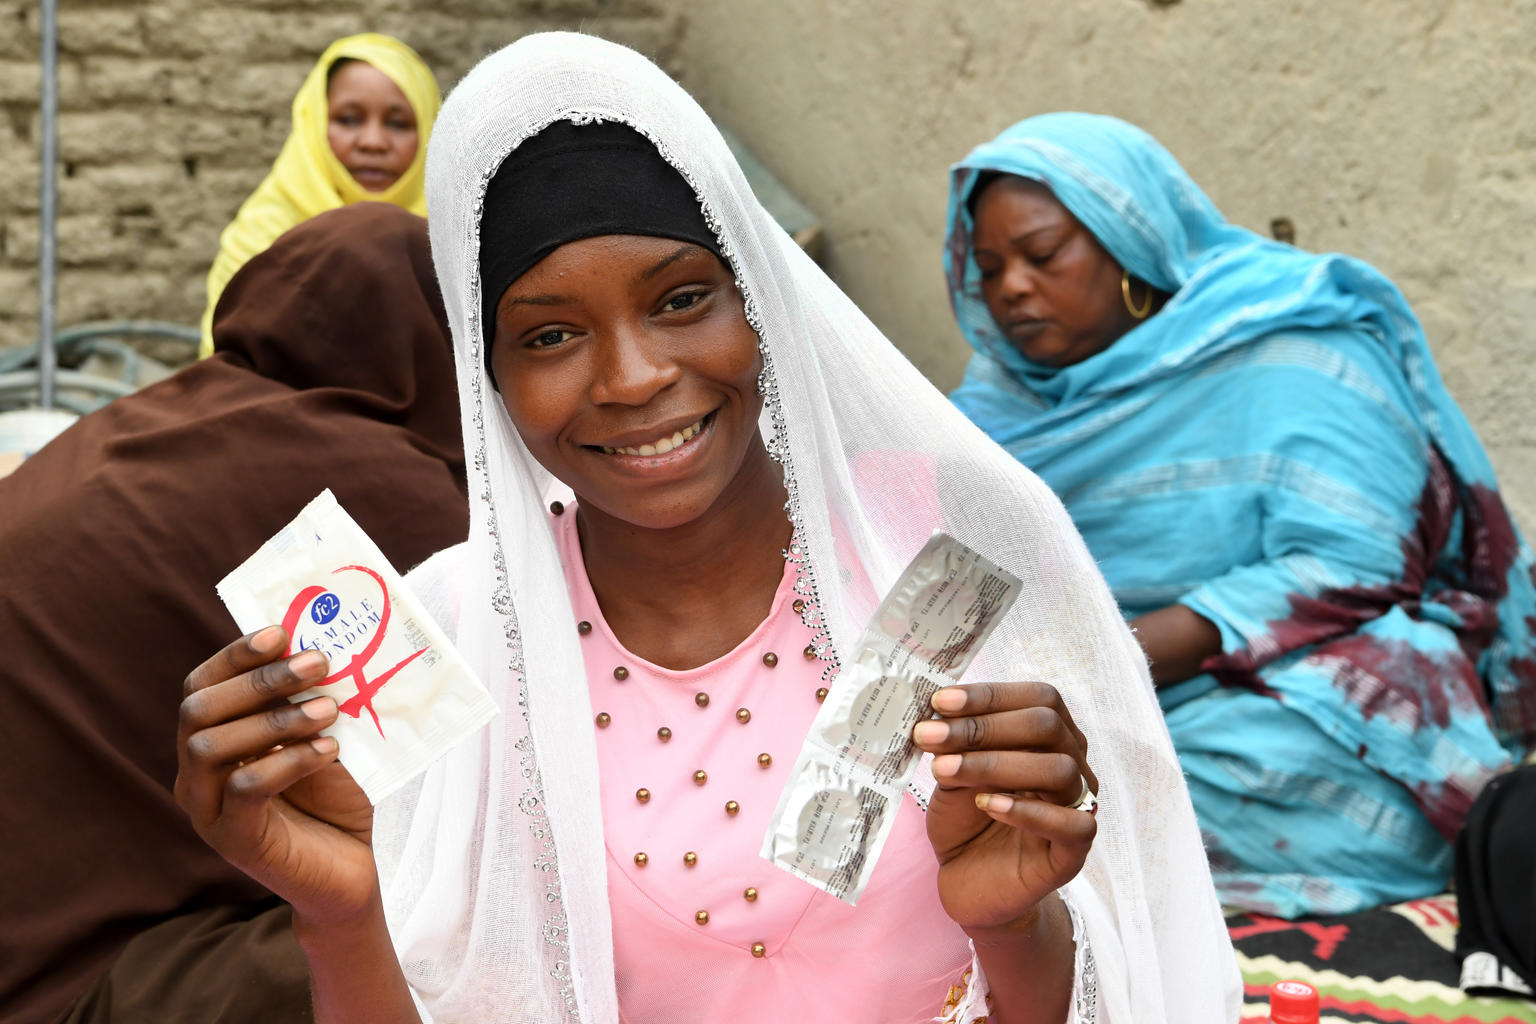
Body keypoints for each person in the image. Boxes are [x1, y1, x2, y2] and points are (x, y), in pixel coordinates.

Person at [172, 35, 1239, 1024]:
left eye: (683, 300)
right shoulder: (447, 642)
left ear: (760, 298)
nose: (635, 377)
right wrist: (337, 913)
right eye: (549, 333)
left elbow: (1155, 967)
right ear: (484, 368)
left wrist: (1016, 922)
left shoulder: (954, 542)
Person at [943, 112, 1536, 919]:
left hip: (1290, 669)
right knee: (983, 785)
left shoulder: (1296, 348)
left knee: (1260, 766)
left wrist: (1103, 666)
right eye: (989, 267)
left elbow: (1355, 563)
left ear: (1136, 246)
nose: (1012, 286)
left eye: (1043, 255)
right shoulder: (992, 411)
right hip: (1084, 691)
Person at [0, 203, 466, 1024]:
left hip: (42, 912)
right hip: (69, 984)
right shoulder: (385, 490)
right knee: (463, 929)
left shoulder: (157, 416)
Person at [197, 33, 441, 356]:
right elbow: (229, 365)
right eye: (349, 119)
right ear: (314, 125)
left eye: (397, 124)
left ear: (430, 131)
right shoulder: (264, 235)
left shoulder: (456, 242)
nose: (373, 142)